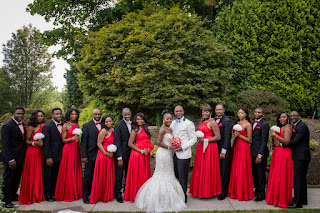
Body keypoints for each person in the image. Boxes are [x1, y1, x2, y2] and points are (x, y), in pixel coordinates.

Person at [135, 110, 187, 212]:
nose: (169, 120)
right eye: (167, 118)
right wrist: (169, 147)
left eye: (171, 119)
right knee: (160, 174)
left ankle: (168, 199)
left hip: (169, 154)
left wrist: (174, 146)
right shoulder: (163, 129)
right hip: (163, 154)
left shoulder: (170, 129)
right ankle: (156, 200)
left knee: (169, 174)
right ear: (163, 119)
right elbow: (158, 142)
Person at [189, 105, 221, 198]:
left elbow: (218, 137)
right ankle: (199, 190)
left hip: (210, 148)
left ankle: (208, 191)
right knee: (200, 167)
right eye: (203, 111)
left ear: (211, 113)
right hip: (201, 146)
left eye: (207, 112)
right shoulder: (203, 122)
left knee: (208, 168)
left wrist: (205, 140)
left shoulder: (213, 122)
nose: (205, 113)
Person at [123, 112, 154, 202]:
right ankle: (135, 194)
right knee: (137, 174)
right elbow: (129, 143)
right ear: (135, 121)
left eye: (141, 119)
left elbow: (148, 141)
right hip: (137, 154)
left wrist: (149, 149)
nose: (139, 121)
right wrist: (140, 151)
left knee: (144, 173)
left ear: (144, 120)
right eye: (137, 119)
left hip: (145, 154)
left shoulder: (146, 129)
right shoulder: (135, 130)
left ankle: (144, 194)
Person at [0, 107, 27, 208]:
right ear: (13, 113)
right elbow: (5, 145)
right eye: (18, 113)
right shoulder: (7, 126)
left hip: (20, 157)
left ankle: (13, 195)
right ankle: (6, 200)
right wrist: (10, 159)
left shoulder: (22, 125)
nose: (20, 115)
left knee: (16, 178)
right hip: (11, 158)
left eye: (22, 114)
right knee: (8, 179)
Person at [54, 108, 82, 202]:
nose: (74, 116)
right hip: (68, 149)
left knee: (75, 168)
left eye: (75, 114)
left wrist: (80, 148)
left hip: (75, 149)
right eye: (72, 114)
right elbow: (63, 140)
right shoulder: (65, 125)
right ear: (68, 115)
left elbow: (78, 139)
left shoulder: (76, 125)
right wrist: (72, 138)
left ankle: (76, 191)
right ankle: (68, 192)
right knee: (69, 169)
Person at [170, 105, 197, 203]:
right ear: (174, 112)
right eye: (176, 111)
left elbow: (193, 138)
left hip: (184, 154)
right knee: (175, 176)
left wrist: (183, 147)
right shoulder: (172, 123)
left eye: (180, 111)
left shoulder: (189, 123)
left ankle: (183, 197)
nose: (178, 113)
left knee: (182, 177)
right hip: (174, 154)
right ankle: (176, 195)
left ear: (183, 111)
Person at [266, 112, 293, 208]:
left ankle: (281, 199)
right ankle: (274, 198)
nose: (282, 119)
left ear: (287, 118)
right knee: (276, 175)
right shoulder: (280, 128)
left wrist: (276, 135)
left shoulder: (288, 127)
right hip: (277, 152)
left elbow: (286, 141)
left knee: (281, 176)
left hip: (284, 153)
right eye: (280, 117)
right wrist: (274, 138)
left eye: (284, 117)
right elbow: (277, 144)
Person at [19, 110, 45, 205]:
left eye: (42, 116)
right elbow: (27, 141)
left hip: (41, 151)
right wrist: (35, 143)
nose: (40, 118)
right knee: (33, 172)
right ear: (34, 117)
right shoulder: (31, 127)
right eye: (38, 116)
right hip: (33, 152)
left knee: (40, 172)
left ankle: (39, 193)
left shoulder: (44, 126)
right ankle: (32, 194)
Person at [228, 107, 254, 201]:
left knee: (242, 168)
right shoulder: (237, 123)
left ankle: (242, 193)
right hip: (236, 146)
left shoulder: (247, 124)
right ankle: (234, 191)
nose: (240, 115)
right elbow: (235, 137)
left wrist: (240, 136)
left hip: (244, 147)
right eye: (238, 113)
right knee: (235, 168)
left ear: (246, 114)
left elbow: (250, 140)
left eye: (242, 113)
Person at [287, 111, 311, 208]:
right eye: (291, 115)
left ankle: (297, 203)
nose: (293, 117)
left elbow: (295, 141)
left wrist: (282, 142)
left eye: (295, 115)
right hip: (301, 156)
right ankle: (303, 199)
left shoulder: (301, 126)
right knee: (302, 179)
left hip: (301, 157)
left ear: (299, 116)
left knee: (298, 179)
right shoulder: (297, 126)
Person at [90, 115, 115, 203]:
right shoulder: (103, 131)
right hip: (103, 155)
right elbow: (99, 143)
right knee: (102, 175)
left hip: (110, 155)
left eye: (110, 121)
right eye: (107, 122)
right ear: (104, 123)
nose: (109, 123)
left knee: (108, 174)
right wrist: (105, 153)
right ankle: (100, 195)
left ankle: (107, 194)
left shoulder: (112, 130)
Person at [42, 108, 64, 202]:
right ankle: (48, 195)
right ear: (52, 115)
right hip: (52, 156)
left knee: (57, 176)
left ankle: (56, 193)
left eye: (60, 114)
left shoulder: (64, 125)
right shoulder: (47, 126)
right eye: (57, 114)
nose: (59, 115)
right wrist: (48, 157)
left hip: (62, 155)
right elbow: (46, 143)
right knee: (49, 176)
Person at [81, 108, 102, 204]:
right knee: (88, 176)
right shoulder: (86, 126)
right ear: (93, 115)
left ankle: (97, 194)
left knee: (98, 176)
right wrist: (84, 155)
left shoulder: (104, 125)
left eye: (99, 114)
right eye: (95, 114)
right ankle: (86, 196)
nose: (97, 116)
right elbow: (83, 142)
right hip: (90, 155)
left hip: (102, 155)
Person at [214, 104, 232, 200]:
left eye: (220, 109)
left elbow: (227, 138)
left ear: (224, 110)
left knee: (223, 171)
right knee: (216, 171)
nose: (219, 111)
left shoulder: (227, 121)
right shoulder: (213, 119)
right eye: (217, 109)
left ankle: (223, 192)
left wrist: (223, 151)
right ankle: (216, 190)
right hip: (213, 149)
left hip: (223, 150)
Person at [251, 107, 270, 202]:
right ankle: (257, 190)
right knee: (254, 174)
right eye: (256, 112)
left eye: (259, 112)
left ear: (262, 114)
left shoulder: (264, 124)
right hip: (252, 152)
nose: (257, 113)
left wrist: (260, 155)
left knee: (260, 174)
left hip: (260, 153)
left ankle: (261, 194)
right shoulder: (252, 123)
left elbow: (264, 141)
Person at [114, 108, 132, 203]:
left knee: (129, 174)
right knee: (119, 175)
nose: (127, 116)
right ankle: (118, 194)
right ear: (122, 114)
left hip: (132, 155)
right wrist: (119, 157)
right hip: (122, 154)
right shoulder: (118, 125)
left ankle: (127, 191)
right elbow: (117, 142)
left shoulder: (133, 124)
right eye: (125, 114)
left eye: (128, 114)